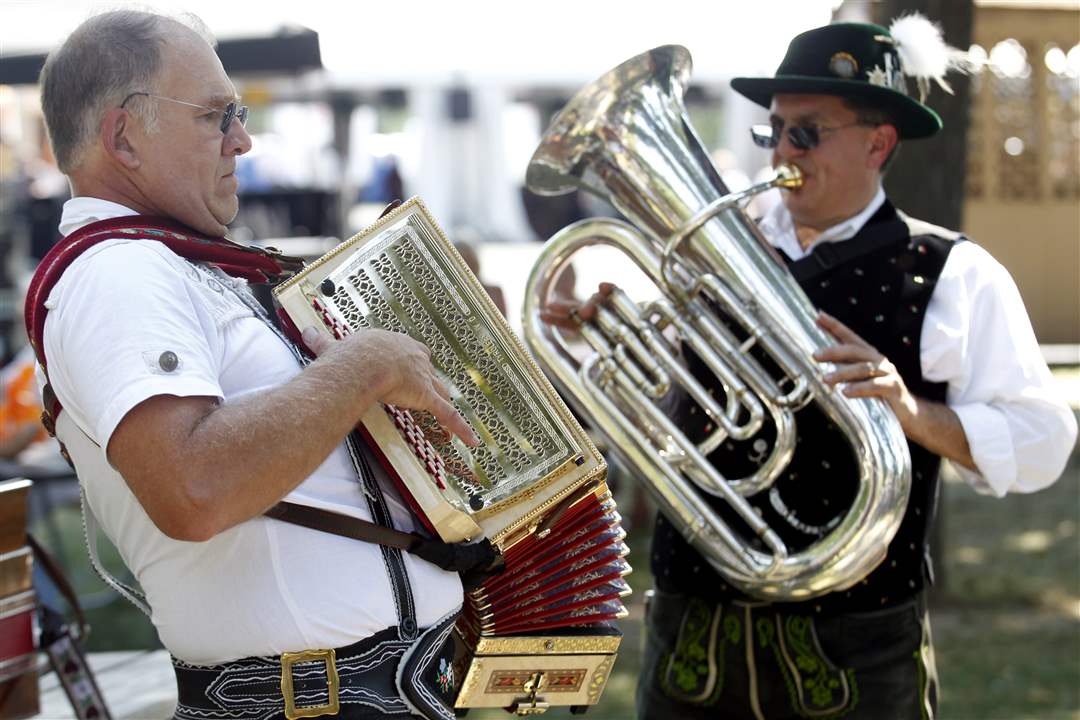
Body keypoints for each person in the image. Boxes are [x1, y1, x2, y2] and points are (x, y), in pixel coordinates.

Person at [542, 17, 1077, 720]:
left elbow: (1042, 441)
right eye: (775, 131)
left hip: (854, 649)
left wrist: (910, 413)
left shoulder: (952, 274)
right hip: (693, 638)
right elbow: (684, 410)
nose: (782, 153)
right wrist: (606, 334)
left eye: (808, 132)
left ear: (878, 143)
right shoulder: (713, 251)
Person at [32, 10, 481, 719]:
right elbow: (195, 489)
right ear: (123, 135)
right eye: (216, 116)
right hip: (305, 700)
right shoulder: (117, 273)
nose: (241, 140)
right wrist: (360, 367)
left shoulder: (168, 265)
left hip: (361, 692)